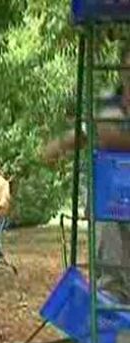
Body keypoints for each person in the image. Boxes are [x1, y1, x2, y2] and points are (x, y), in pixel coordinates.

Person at [42, 48, 130, 302]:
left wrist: (109, 136)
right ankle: (111, 318)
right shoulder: (109, 100)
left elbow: (104, 134)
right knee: (111, 270)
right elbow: (88, 130)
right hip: (110, 199)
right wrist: (59, 144)